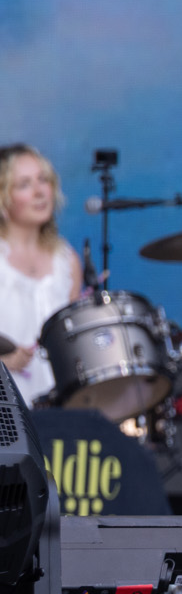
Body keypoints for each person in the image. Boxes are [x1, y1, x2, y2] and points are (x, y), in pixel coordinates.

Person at [0, 146, 84, 409]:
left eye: (43, 180)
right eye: (24, 184)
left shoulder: (67, 260)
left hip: (55, 411)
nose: (39, 192)